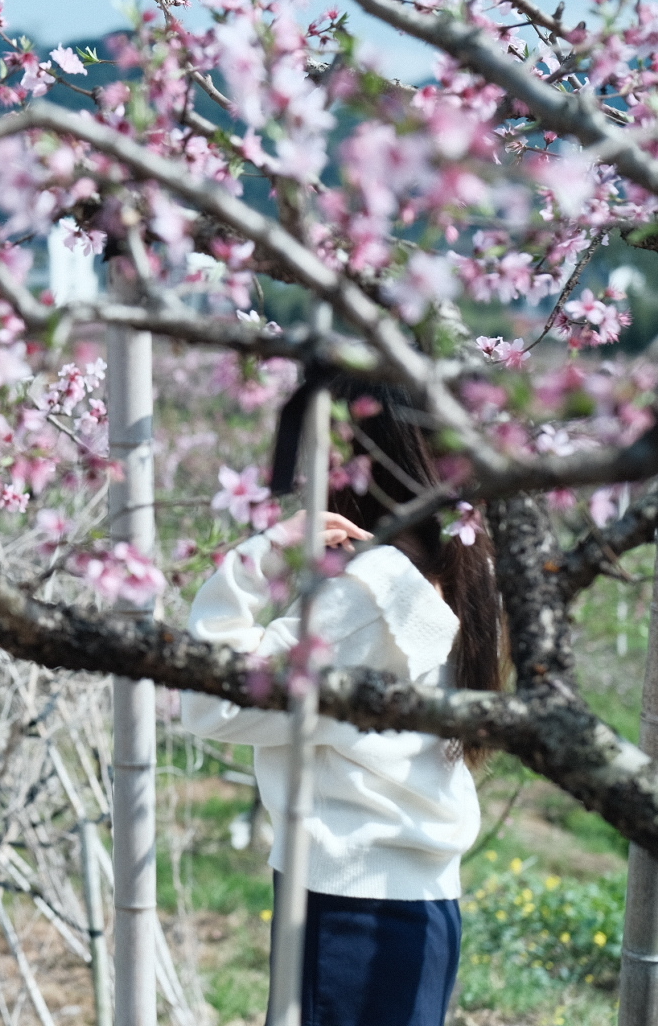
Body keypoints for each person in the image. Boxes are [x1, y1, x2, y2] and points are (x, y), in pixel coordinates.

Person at [181, 379, 505, 1026]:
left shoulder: (369, 596)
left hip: (349, 908)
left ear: (359, 463)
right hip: (415, 903)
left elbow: (211, 698)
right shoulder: (456, 572)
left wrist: (259, 557)